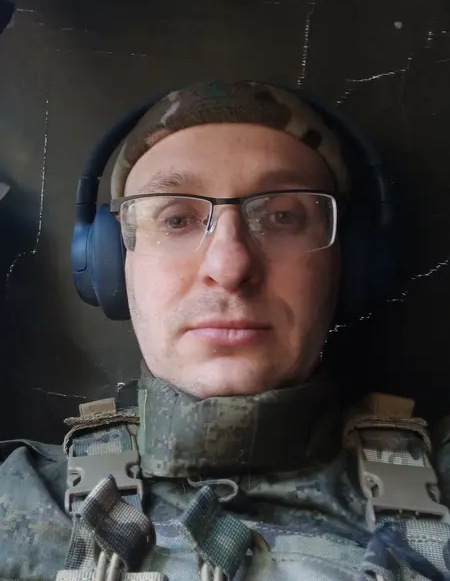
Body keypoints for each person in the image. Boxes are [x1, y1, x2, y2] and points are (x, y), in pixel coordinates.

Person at [1, 81, 450, 581]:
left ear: (350, 265)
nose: (231, 266)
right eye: (176, 219)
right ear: (110, 263)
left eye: (282, 216)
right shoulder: (18, 503)